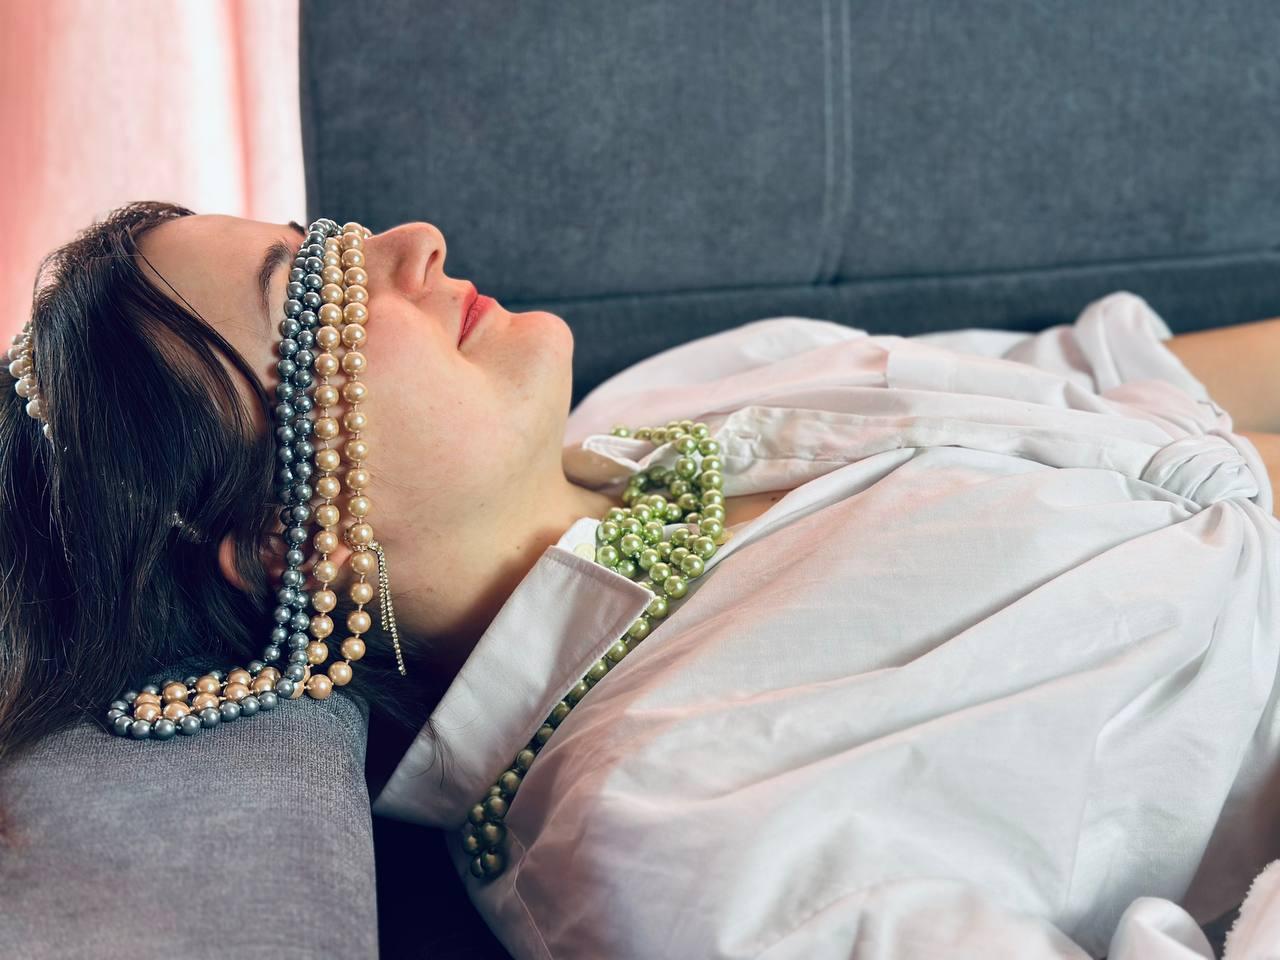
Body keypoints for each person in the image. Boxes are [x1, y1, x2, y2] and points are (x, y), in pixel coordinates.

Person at [1, 199, 1278, 958]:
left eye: (326, 235)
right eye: (312, 291)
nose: (411, 242)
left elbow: (1138, 386)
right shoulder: (669, 841)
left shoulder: (675, 398)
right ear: (296, 542)